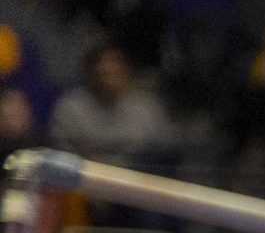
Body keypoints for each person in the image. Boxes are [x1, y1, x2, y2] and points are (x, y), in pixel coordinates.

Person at [48, 44, 181, 169]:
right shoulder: (71, 107)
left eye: (115, 71)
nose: (109, 78)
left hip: (138, 179)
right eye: (103, 73)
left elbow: (165, 152)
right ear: (90, 74)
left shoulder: (147, 107)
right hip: (86, 180)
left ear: (127, 71)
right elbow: (61, 154)